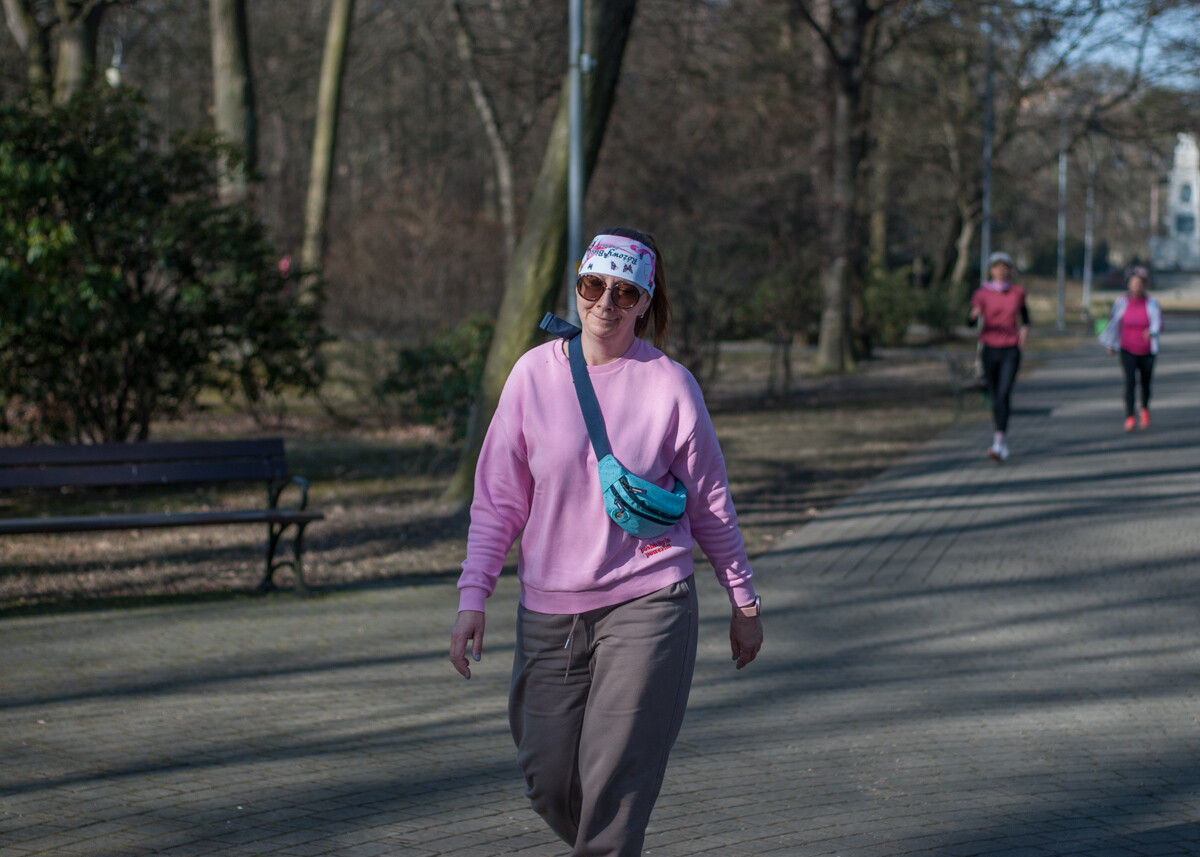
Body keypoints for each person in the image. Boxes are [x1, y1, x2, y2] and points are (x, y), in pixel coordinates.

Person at [449, 228, 763, 857]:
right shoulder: (532, 376)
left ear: (645, 301)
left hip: (648, 601)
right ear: (579, 285)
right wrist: (472, 595)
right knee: (548, 779)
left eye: (625, 292)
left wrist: (744, 601)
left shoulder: (669, 385)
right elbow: (498, 499)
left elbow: (709, 502)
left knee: (614, 783)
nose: (605, 304)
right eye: (594, 286)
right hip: (548, 606)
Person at [969, 250, 1029, 462]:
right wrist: (973, 315)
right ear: (991, 270)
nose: (1001, 271)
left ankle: (999, 441)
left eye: (1005, 267)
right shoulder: (982, 293)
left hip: (1011, 348)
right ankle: (999, 436)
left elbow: (1025, 316)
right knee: (995, 397)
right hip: (990, 348)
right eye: (997, 267)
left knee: (1004, 393)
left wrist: (1024, 330)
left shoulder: (1017, 292)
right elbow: (969, 321)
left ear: (1010, 270)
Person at [1099, 265, 1161, 431]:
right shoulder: (1121, 302)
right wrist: (1111, 344)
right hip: (1127, 348)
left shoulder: (1152, 303)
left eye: (1139, 284)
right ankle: (1130, 416)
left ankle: (1145, 409)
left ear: (1144, 285)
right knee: (1130, 382)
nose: (1136, 287)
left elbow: (1157, 322)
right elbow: (1114, 324)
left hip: (1147, 349)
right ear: (1128, 285)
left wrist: (1152, 331)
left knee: (1146, 384)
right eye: (1133, 283)